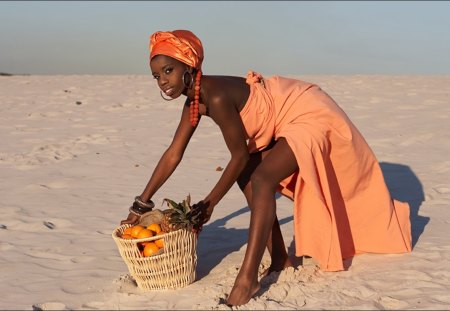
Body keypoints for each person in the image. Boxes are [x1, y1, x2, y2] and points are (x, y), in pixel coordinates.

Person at [120, 29, 412, 306]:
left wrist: (209, 205)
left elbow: (239, 156)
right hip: (284, 119)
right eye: (156, 75)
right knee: (247, 177)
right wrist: (141, 204)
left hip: (308, 112)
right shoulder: (193, 103)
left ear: (188, 66)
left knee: (261, 178)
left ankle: (247, 280)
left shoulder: (217, 95)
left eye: (168, 71)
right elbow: (174, 153)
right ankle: (281, 258)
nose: (162, 81)